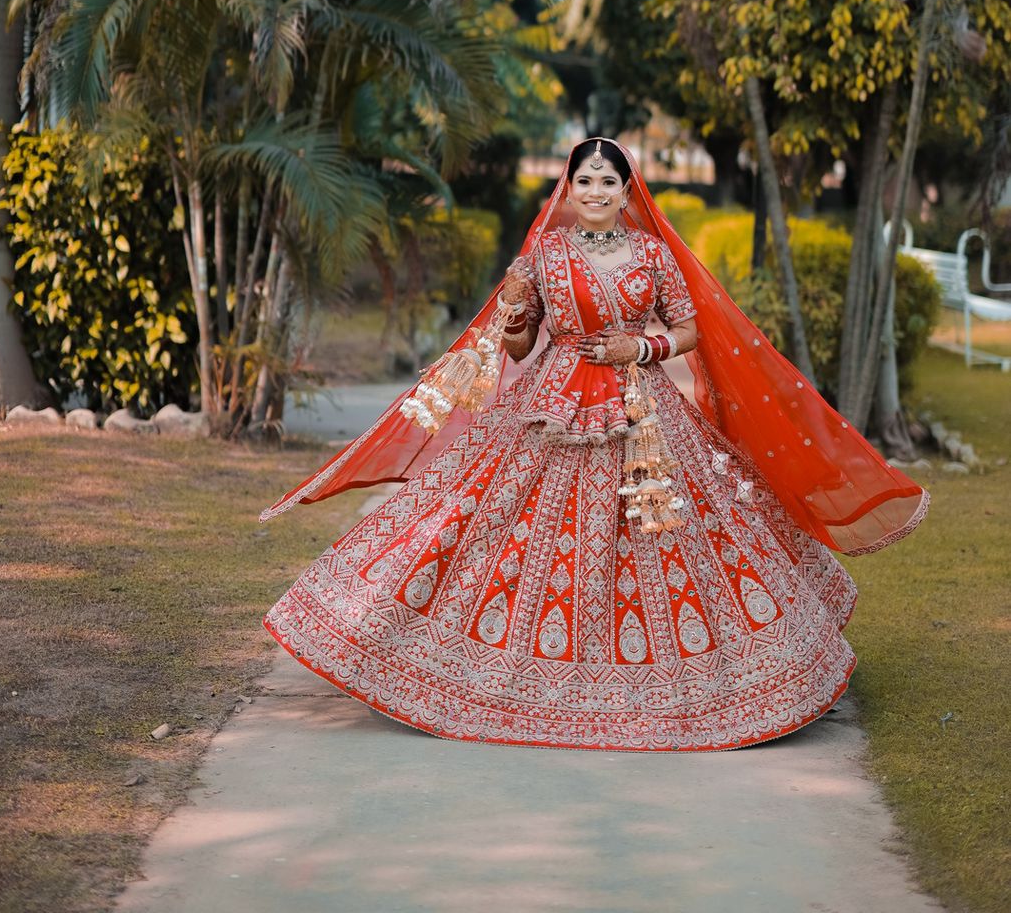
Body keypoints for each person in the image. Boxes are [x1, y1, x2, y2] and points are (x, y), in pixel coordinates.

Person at [260, 137, 928, 751]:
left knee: (673, 527)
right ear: (569, 188)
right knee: (483, 514)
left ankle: (728, 676)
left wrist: (641, 347)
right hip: (553, 401)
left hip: (642, 408)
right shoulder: (544, 255)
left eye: (608, 181)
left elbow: (689, 330)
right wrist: (514, 319)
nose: (596, 192)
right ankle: (410, 642)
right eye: (585, 181)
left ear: (627, 191)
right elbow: (520, 343)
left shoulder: (653, 255)